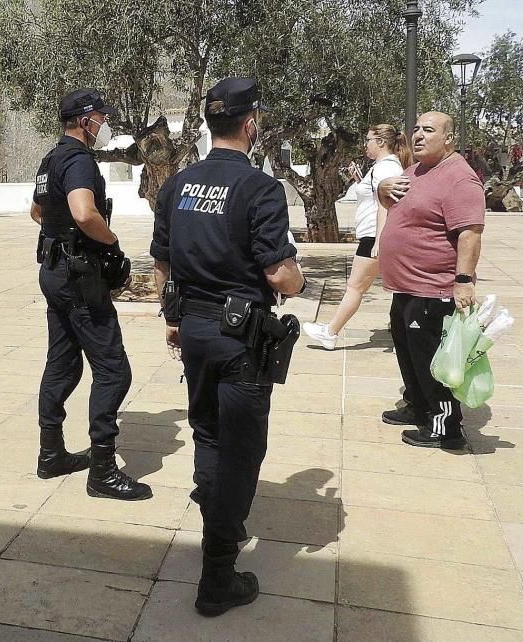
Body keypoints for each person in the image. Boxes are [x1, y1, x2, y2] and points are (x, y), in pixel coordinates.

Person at [151, 77, 306, 616]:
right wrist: (299, 279)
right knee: (241, 450)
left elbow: (163, 263)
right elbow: (278, 274)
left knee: (208, 435)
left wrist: (174, 317)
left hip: (193, 332)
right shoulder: (261, 189)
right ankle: (218, 574)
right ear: (251, 123)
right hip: (241, 339)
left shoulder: (176, 186)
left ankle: (212, 518)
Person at [30, 88, 151, 501]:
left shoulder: (51, 159)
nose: (104, 124)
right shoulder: (79, 160)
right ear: (85, 121)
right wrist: (112, 242)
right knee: (114, 370)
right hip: (79, 276)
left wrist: (61, 233)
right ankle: (102, 471)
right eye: (100, 117)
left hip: (53, 272)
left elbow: (37, 212)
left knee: (62, 363)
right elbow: (84, 212)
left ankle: (51, 454)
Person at [376, 111, 485, 449]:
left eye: (429, 130)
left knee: (432, 359)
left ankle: (445, 426)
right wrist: (382, 189)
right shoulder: (416, 171)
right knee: (408, 350)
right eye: (416, 129)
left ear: (449, 139)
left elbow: (470, 233)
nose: (418, 136)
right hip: (407, 286)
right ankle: (418, 405)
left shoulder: (459, 178)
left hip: (432, 287)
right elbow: (393, 206)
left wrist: (463, 280)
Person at [303, 124, 413, 349]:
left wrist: (380, 240)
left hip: (375, 236)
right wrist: (359, 180)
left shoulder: (386, 169)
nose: (366, 145)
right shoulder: (382, 168)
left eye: (369, 140)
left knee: (355, 287)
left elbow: (388, 205)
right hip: (375, 236)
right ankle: (403, 328)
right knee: (397, 287)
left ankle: (330, 333)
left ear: (381, 142)